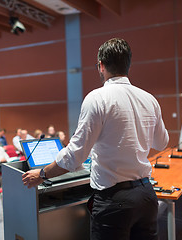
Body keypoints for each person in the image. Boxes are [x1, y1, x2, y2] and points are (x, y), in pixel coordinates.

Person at [22, 38, 169, 240]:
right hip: (146, 195)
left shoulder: (98, 98)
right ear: (128, 65)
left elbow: (75, 156)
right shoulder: (149, 99)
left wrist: (42, 174)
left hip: (114, 200)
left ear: (100, 66)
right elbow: (161, 143)